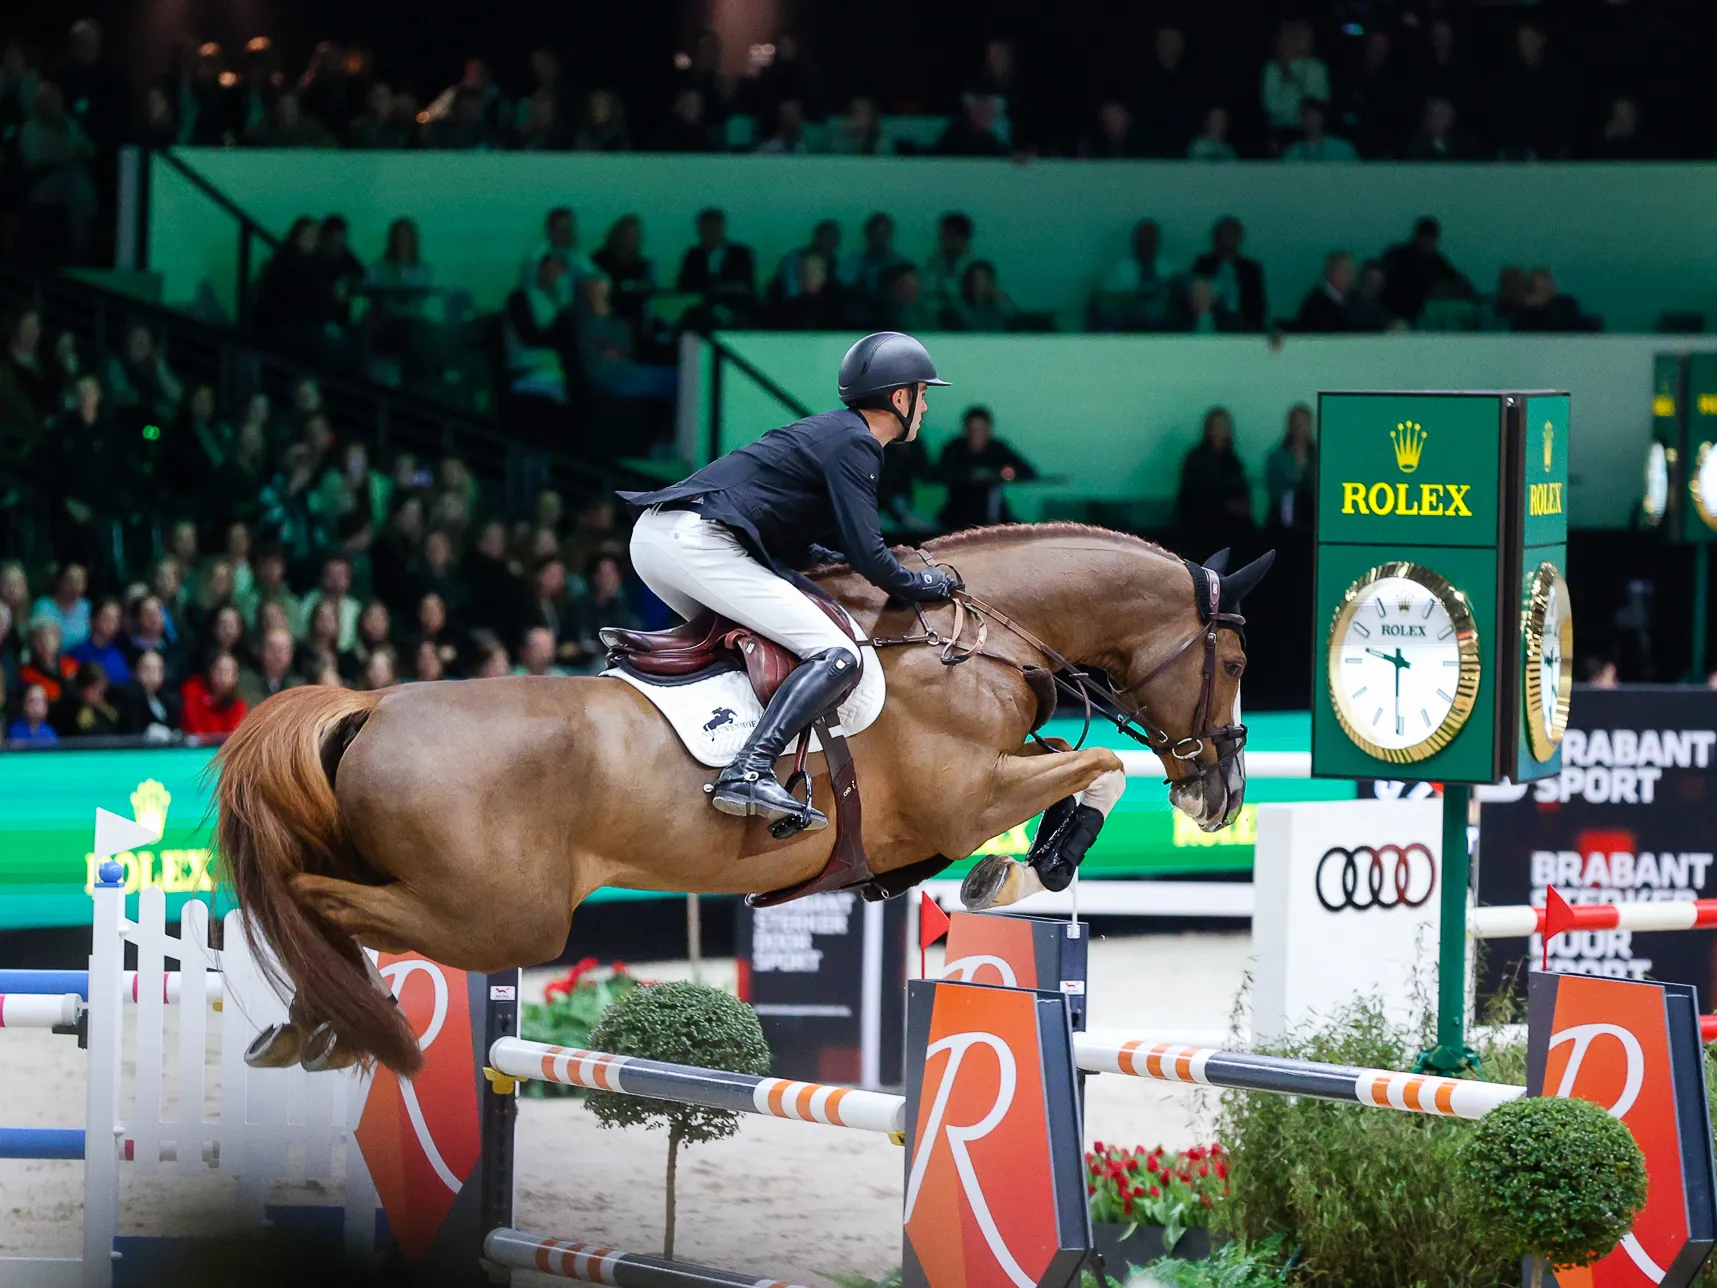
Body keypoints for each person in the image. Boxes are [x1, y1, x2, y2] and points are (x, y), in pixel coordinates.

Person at [619, 332, 960, 831]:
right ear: (900, 397)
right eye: (923, 394)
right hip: (696, 542)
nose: (927, 407)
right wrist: (926, 584)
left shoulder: (836, 433)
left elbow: (798, 538)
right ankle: (749, 768)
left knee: (761, 645)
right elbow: (870, 556)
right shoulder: (857, 444)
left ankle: (720, 744)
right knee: (840, 655)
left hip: (661, 536)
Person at [937, 405, 1037, 530]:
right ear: (966, 430)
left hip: (995, 514)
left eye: (981, 429)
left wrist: (1009, 472)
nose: (977, 434)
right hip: (959, 514)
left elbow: (1028, 471)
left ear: (989, 430)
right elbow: (936, 473)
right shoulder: (954, 448)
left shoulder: (997, 448)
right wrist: (971, 474)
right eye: (973, 430)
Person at [1380, 217, 1473, 325]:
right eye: (1426, 238)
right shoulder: (1398, 256)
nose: (1429, 242)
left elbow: (1461, 284)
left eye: (1431, 239)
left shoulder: (1436, 262)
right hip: (1390, 310)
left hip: (1419, 314)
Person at [675, 208, 757, 328]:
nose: (708, 233)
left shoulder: (740, 254)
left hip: (737, 308)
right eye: (704, 229)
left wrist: (715, 288)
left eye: (711, 228)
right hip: (703, 309)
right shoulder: (693, 256)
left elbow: (746, 285)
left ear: (721, 228)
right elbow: (683, 285)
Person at [1177, 407, 1253, 529]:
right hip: (1203, 523)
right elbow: (1191, 496)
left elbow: (1242, 492)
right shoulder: (1196, 459)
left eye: (1225, 425)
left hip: (1233, 524)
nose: (1222, 430)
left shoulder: (1233, 461)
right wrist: (1224, 504)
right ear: (1208, 429)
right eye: (1217, 425)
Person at [1095, 219, 1175, 332]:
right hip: (1126, 321)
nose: (1146, 245)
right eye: (1143, 241)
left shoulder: (1167, 269)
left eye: (1150, 241)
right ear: (1136, 242)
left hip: (1159, 323)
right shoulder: (1121, 269)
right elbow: (1108, 301)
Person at [1190, 218, 1266, 332]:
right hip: (1210, 325)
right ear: (1215, 238)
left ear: (1239, 238)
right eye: (1222, 235)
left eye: (1230, 236)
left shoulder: (1251, 269)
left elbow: (1258, 305)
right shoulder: (1203, 264)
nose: (1226, 240)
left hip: (1244, 328)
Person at [1264, 404, 1317, 531]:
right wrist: (1297, 470)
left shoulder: (1317, 456)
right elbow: (1276, 491)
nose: (1301, 428)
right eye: (1298, 424)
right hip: (1284, 518)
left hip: (1312, 517)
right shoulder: (1277, 456)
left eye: (1305, 424)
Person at [921, 213, 975, 320]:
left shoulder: (974, 269)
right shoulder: (932, 264)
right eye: (942, 236)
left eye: (949, 236)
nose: (943, 240)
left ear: (962, 238)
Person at [179, 652, 248, 735]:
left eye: (228, 671)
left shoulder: (238, 706)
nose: (223, 675)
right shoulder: (194, 689)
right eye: (219, 670)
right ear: (211, 671)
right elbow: (191, 724)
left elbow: (232, 735)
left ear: (235, 677)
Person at [117, 650, 180, 737]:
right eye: (147, 669)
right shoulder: (131, 698)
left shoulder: (167, 698)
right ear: (137, 671)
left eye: (157, 669)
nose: (152, 674)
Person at [1292, 251, 1357, 332]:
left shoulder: (1353, 299)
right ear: (1332, 272)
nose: (1350, 277)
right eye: (1345, 271)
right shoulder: (1316, 303)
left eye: (1350, 272)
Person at [53, 661, 120, 737]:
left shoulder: (107, 708)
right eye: (95, 688)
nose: (100, 694)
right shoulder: (70, 709)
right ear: (82, 688)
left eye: (102, 689)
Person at [1281, 99, 1356, 162]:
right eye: (1307, 117)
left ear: (1323, 119)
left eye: (1315, 117)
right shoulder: (1293, 152)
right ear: (1301, 121)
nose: (1311, 121)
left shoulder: (1342, 149)